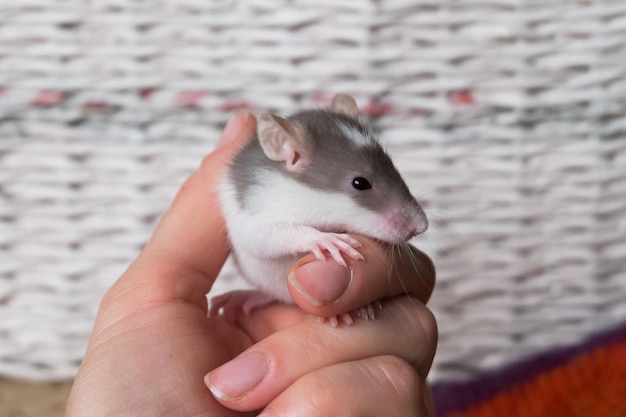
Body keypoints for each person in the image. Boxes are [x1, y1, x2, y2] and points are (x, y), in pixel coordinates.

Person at [65, 111, 438, 417]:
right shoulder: (259, 187)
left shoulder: (309, 183)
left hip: (302, 308)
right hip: (273, 280)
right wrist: (308, 238)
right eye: (360, 184)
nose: (416, 224)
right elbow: (256, 239)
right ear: (289, 153)